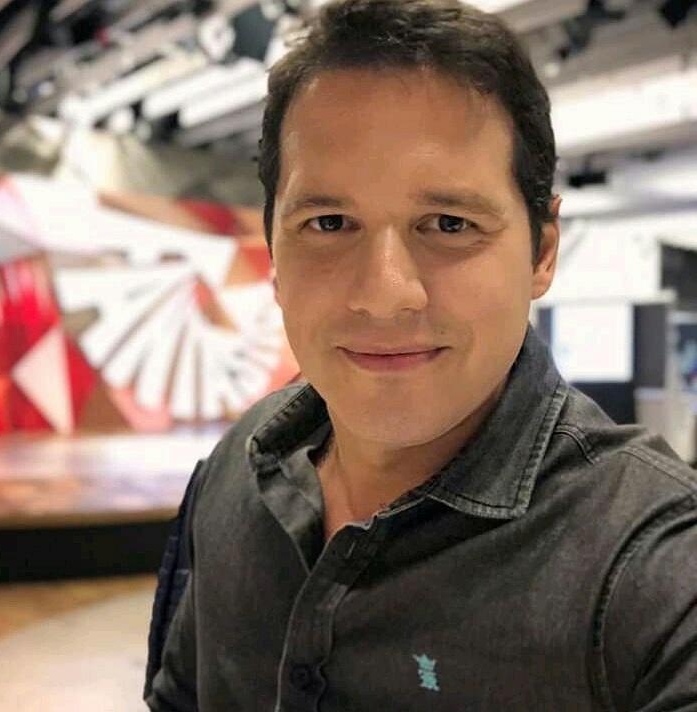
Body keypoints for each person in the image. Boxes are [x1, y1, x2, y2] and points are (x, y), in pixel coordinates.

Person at [145, 0, 697, 709]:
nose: (385, 295)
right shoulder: (236, 470)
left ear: (542, 252)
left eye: (448, 223)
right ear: (275, 252)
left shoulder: (655, 574)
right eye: (329, 222)